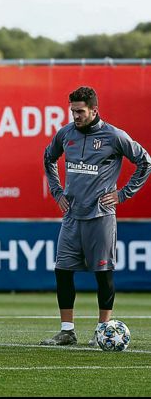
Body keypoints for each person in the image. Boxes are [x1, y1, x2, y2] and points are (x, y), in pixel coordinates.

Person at [41, 86, 150, 346]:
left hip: (101, 216)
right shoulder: (66, 134)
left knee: (104, 273)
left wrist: (123, 195)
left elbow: (145, 162)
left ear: (94, 110)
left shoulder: (114, 136)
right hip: (72, 217)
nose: (75, 116)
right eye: (72, 111)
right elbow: (48, 158)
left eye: (80, 111)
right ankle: (67, 331)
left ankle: (103, 330)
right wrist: (57, 191)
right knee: (62, 270)